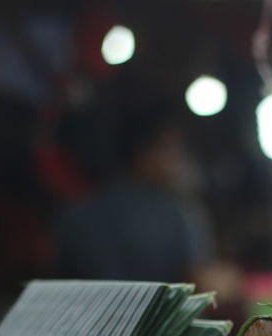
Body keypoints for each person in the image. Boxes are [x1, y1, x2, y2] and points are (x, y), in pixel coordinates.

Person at [57, 107, 212, 284]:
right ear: (143, 154)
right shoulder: (180, 213)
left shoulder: (77, 211)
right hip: (159, 312)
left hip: (84, 311)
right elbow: (197, 282)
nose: (178, 159)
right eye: (169, 148)